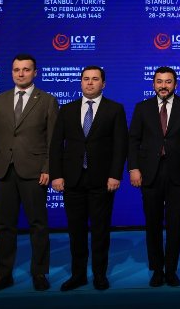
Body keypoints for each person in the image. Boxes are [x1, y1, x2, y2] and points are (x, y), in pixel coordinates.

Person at [0, 54, 59, 293]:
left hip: (34, 172)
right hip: (2, 171)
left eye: (26, 69)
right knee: (5, 225)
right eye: (16, 69)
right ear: (12, 72)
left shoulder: (47, 100)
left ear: (35, 72)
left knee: (38, 224)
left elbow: (53, 140)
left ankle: (39, 272)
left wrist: (48, 168)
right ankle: (3, 274)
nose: (21, 73)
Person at [50, 66, 128, 291]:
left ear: (103, 84)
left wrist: (115, 174)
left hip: (102, 181)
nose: (90, 83)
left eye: (95, 79)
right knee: (76, 231)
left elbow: (120, 145)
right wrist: (56, 175)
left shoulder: (115, 109)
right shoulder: (67, 109)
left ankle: (100, 275)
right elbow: (56, 145)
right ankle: (78, 275)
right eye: (86, 79)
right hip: (72, 180)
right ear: (81, 82)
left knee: (101, 230)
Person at [128, 66, 180, 287]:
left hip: (178, 172)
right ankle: (157, 269)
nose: (163, 86)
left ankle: (171, 269)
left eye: (168, 81)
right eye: (159, 81)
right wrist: (134, 168)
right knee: (152, 223)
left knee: (175, 224)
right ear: (153, 84)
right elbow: (133, 140)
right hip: (149, 173)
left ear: (175, 84)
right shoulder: (142, 108)